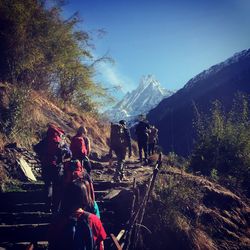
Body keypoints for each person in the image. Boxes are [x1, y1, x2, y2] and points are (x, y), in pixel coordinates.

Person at [48, 179, 106, 250]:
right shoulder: (94, 220)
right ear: (85, 197)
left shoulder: (57, 220)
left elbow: (52, 243)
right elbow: (101, 246)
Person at [34, 123, 66, 213]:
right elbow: (69, 153)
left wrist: (42, 155)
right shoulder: (60, 141)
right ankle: (56, 208)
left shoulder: (45, 141)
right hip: (57, 168)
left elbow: (36, 148)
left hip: (46, 167)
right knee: (57, 188)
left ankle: (47, 207)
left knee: (48, 186)